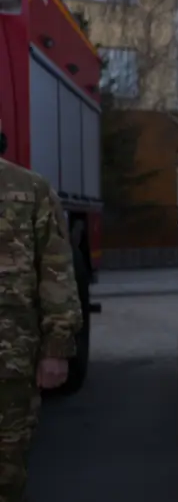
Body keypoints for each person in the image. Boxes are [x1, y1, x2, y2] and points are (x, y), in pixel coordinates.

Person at [0, 158, 83, 502]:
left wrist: (57, 348)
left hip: (10, 360)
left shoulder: (31, 189)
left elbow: (56, 272)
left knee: (6, 470)